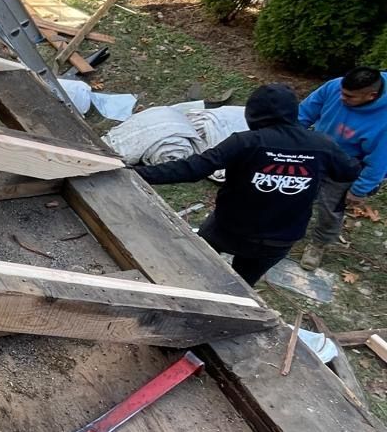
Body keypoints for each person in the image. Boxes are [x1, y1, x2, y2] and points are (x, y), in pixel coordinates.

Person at [135, 83, 359, 285]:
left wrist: (137, 173)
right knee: (240, 286)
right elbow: (347, 171)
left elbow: (193, 169)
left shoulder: (245, 142)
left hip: (228, 229)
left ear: (253, 113)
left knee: (194, 262)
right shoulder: (323, 145)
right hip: (279, 239)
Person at [298, 66, 387, 266]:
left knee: (331, 208)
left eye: (349, 96)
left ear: (371, 96)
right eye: (341, 91)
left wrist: (359, 190)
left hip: (346, 166)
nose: (341, 98)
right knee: (297, 189)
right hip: (316, 151)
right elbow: (305, 112)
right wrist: (289, 135)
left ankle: (318, 243)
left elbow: (380, 161)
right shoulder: (335, 86)